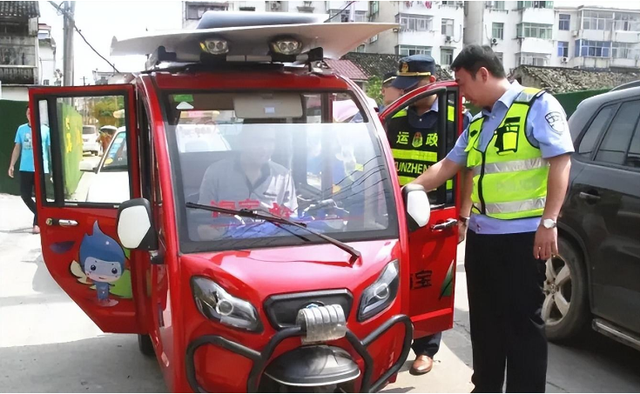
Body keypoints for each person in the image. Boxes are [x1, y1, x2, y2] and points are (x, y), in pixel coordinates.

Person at [410, 45, 573, 392]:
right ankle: (484, 386)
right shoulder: (480, 121)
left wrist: (549, 222)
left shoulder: (537, 106)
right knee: (485, 324)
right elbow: (448, 166)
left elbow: (561, 162)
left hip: (522, 238)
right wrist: (407, 191)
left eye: (463, 83)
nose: (462, 93)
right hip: (483, 238)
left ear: (483, 73)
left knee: (522, 325)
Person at [385, 54, 471, 376]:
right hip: (395, 214)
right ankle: (391, 348)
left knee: (431, 283)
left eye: (415, 87)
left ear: (432, 83)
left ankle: (426, 348)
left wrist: (462, 216)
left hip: (435, 214)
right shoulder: (394, 118)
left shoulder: (455, 119)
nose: (409, 94)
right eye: (404, 88)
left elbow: (466, 171)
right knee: (394, 284)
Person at [197, 125, 297, 240]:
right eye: (257, 141)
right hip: (226, 245)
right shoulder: (216, 172)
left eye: (270, 141)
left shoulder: (283, 175)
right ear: (242, 141)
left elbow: (292, 222)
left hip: (271, 244)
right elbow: (203, 220)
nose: (264, 148)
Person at [8, 105, 50, 234]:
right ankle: (41, 215)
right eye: (28, 112)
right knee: (25, 195)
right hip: (25, 168)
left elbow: (49, 149)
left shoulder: (45, 130)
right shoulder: (21, 129)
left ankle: (37, 223)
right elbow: (17, 147)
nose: (29, 114)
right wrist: (12, 165)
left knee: (40, 197)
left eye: (32, 112)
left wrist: (52, 169)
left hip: (41, 168)